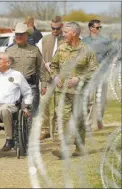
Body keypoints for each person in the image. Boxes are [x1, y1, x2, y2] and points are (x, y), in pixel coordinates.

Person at [50, 22, 98, 158]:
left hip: (80, 93)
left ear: (75, 33)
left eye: (66, 32)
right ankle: (61, 147)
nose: (63, 34)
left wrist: (79, 79)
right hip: (62, 91)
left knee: (80, 120)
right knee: (62, 118)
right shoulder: (61, 49)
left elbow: (94, 70)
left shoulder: (87, 50)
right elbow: (53, 66)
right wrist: (55, 76)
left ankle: (79, 147)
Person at [0, 52, 33, 152]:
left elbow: (27, 91)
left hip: (10, 105)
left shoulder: (17, 75)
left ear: (8, 63)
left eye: (0, 59)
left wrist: (26, 106)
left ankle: (9, 140)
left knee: (4, 109)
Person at [6, 22, 47, 116]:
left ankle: (30, 130)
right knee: (13, 112)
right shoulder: (9, 50)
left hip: (31, 85)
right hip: (13, 86)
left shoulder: (35, 50)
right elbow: (4, 70)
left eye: (21, 34)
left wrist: (44, 84)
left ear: (27, 35)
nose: (18, 37)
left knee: (31, 113)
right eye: (17, 34)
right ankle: (16, 130)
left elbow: (41, 68)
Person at [40, 16, 65, 141]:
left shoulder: (67, 40)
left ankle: (55, 132)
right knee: (44, 103)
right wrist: (45, 64)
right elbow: (40, 57)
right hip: (46, 77)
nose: (54, 30)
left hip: (60, 78)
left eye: (57, 28)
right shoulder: (44, 39)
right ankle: (45, 130)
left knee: (58, 106)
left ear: (62, 26)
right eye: (52, 28)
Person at [82, 19, 111, 129]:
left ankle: (99, 119)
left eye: (100, 27)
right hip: (89, 74)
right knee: (89, 99)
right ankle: (88, 123)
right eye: (97, 27)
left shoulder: (106, 41)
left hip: (103, 74)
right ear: (91, 28)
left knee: (102, 100)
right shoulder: (84, 42)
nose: (99, 29)